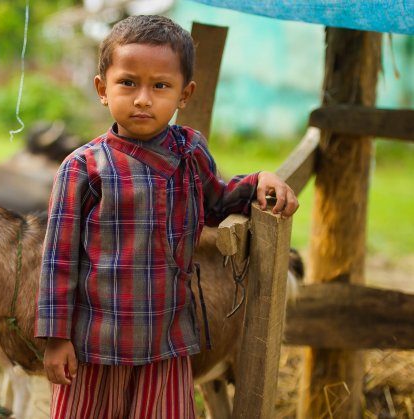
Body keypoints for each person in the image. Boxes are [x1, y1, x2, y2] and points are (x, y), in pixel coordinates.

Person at [34, 14, 299, 419]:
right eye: (128, 83)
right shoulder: (82, 167)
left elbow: (218, 202)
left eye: (160, 85)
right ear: (102, 89)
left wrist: (260, 181)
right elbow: (58, 260)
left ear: (184, 94)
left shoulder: (190, 152)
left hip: (167, 338)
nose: (143, 98)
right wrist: (55, 338)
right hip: (96, 342)